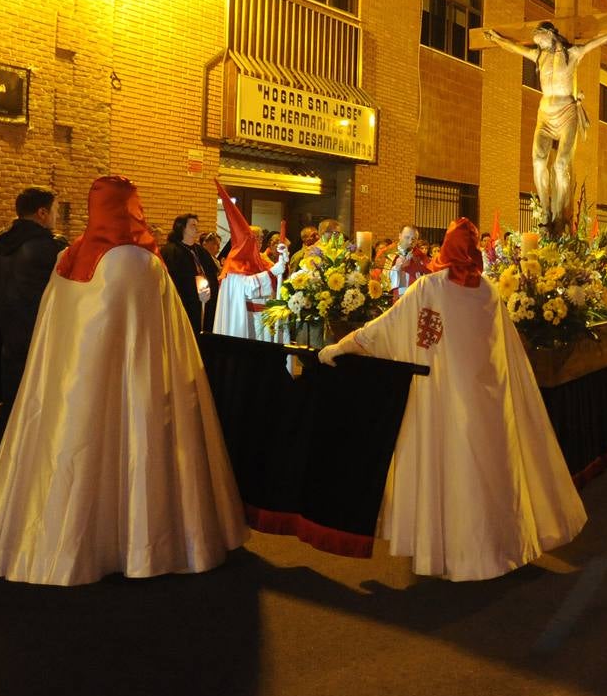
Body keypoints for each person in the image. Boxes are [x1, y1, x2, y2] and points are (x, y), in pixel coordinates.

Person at [0, 176, 248, 585]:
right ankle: (145, 544)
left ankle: (63, 546)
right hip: (140, 382)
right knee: (139, 452)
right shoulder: (140, 260)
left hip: (74, 384)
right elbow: (163, 331)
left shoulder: (70, 256)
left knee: (75, 452)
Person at [318, 218, 586, 581]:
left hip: (443, 397)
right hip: (487, 402)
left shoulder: (430, 289)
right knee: (487, 470)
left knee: (449, 467)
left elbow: (385, 328)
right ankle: (497, 546)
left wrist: (341, 346)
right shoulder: (490, 290)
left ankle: (452, 550)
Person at [483, 11, 607, 230]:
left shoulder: (574, 53)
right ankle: (545, 212)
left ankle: (559, 214)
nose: (538, 42)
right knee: (537, 160)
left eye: (540, 38)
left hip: (567, 113)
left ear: (551, 35)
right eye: (536, 41)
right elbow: (514, 47)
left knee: (561, 164)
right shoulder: (538, 56)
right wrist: (497, 39)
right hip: (545, 114)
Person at [0, 187, 68, 447]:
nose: (57, 216)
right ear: (42, 212)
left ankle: (3, 459)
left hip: (8, 334)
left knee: (12, 404)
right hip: (43, 337)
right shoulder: (52, 245)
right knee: (44, 407)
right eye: (56, 210)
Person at [212, 185, 289, 343]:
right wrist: (273, 271)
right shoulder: (234, 264)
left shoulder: (256, 259)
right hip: (242, 319)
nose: (257, 242)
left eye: (259, 238)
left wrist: (283, 260)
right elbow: (247, 287)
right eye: (254, 239)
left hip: (258, 316)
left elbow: (273, 277)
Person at [160, 213, 211, 335]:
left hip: (201, 304)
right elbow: (170, 281)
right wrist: (193, 292)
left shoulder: (200, 251)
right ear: (181, 228)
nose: (197, 229)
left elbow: (211, 275)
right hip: (182, 305)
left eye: (197, 226)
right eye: (193, 225)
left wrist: (209, 290)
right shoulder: (170, 251)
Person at [384, 225, 428, 297]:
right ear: (399, 236)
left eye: (414, 239)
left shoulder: (421, 257)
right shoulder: (388, 254)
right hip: (396, 299)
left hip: (416, 298)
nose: (410, 241)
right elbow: (384, 283)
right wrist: (397, 268)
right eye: (407, 237)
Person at [197, 231, 223, 332]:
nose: (218, 248)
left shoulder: (215, 259)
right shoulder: (201, 258)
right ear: (205, 243)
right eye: (215, 244)